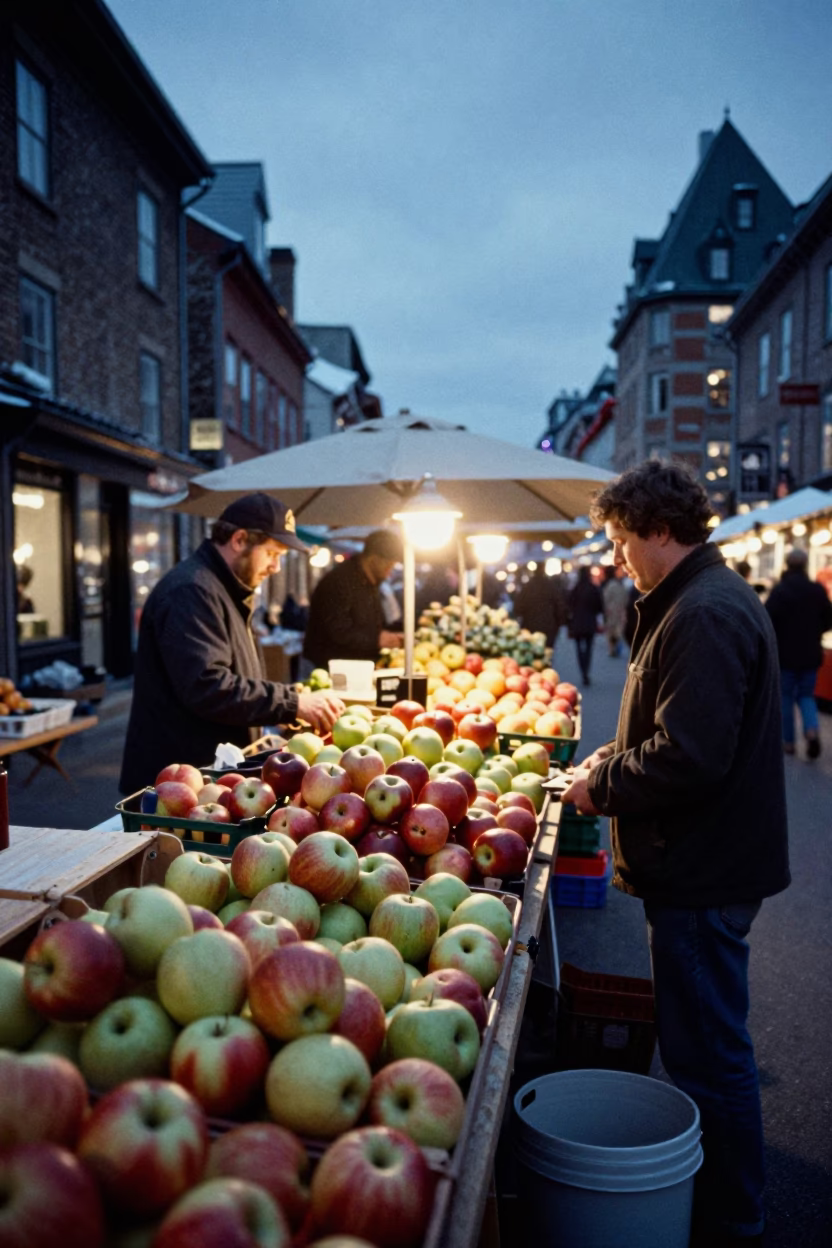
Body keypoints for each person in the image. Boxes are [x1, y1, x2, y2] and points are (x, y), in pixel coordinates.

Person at [561, 460, 790, 1248]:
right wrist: (612, 759)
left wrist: (606, 785)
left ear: (662, 530)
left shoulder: (703, 612)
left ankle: (733, 1217)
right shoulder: (694, 600)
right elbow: (679, 728)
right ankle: (730, 1206)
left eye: (624, 540)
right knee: (707, 1046)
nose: (618, 557)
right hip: (703, 858)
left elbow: (691, 755)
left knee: (711, 1057)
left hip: (703, 866)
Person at [120, 493, 344, 794]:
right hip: (178, 784)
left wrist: (276, 714)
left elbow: (234, 676)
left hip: (206, 776)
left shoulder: (225, 589)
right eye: (272, 553)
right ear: (239, 540)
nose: (276, 566)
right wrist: (291, 704)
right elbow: (208, 686)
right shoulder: (192, 591)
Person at [765, 546, 832, 759]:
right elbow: (829, 619)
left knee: (785, 697)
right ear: (805, 565)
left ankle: (789, 743)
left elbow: (766, 621)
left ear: (787, 565)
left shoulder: (780, 591)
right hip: (811, 654)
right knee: (806, 695)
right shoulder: (817, 590)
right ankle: (811, 730)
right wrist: (815, 632)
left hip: (784, 655)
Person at [303, 529, 404, 669]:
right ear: (374, 559)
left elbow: (371, 623)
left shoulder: (371, 582)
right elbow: (337, 631)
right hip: (328, 669)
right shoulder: (339, 582)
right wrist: (377, 639)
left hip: (356, 667)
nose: (389, 572)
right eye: (389, 565)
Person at [512, 563, 568, 648]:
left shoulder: (527, 587)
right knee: (547, 653)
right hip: (549, 628)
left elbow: (517, 608)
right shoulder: (551, 586)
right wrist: (559, 623)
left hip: (530, 627)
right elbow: (559, 607)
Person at [567, 565, 604, 685]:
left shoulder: (575, 589)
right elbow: (599, 606)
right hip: (589, 623)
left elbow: (569, 605)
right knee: (588, 648)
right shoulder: (593, 588)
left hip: (577, 623)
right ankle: (586, 671)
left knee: (579, 649)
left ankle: (582, 670)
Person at [600, 563, 628, 657]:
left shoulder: (612, 585)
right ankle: (614, 648)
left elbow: (606, 599)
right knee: (615, 631)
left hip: (614, 612)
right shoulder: (616, 584)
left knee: (613, 631)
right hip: (616, 612)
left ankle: (613, 649)